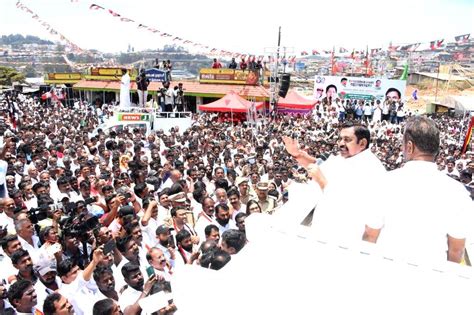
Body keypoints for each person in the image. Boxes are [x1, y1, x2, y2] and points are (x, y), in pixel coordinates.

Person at [363, 116, 473, 265]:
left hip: (386, 270)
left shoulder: (385, 182)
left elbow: (370, 235)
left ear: (409, 146)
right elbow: (456, 250)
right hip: (431, 277)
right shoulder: (458, 191)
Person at [283, 121, 386, 246]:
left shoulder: (372, 171)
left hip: (344, 240)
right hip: (321, 232)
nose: (341, 143)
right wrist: (296, 154)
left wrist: (321, 181)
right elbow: (317, 166)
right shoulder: (344, 158)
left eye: (347, 140)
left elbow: (351, 208)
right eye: (340, 139)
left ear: (362, 143)